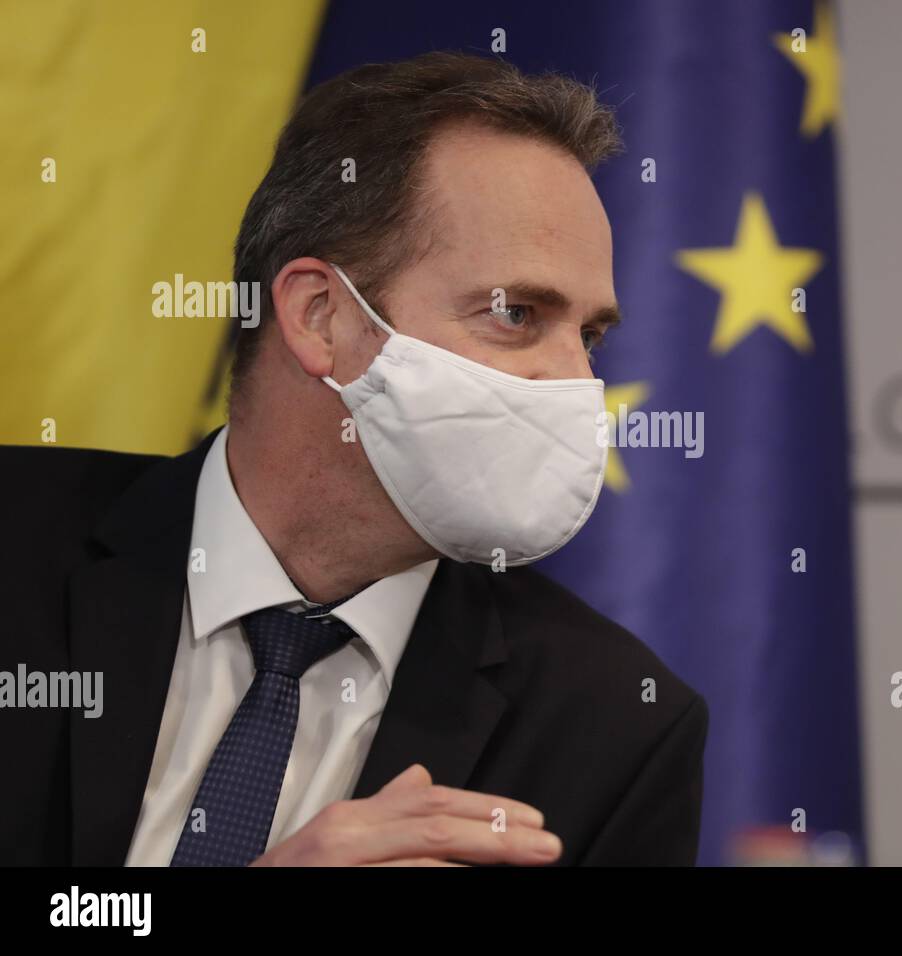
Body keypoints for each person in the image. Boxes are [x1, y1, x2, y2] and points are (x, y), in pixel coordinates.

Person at [0, 51, 708, 867]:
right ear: (320, 316)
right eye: (516, 313)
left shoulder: (616, 726)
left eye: (589, 336)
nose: (577, 383)